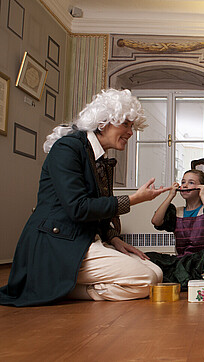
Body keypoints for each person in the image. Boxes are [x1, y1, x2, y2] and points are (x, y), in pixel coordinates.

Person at [0, 89, 169, 307]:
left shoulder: (98, 158)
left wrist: (113, 238)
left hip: (83, 238)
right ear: (104, 122)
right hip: (57, 244)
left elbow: (96, 213)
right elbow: (78, 208)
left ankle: (61, 286)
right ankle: (59, 288)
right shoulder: (67, 148)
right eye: (126, 124)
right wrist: (135, 199)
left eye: (132, 126)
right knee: (145, 280)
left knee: (155, 272)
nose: (130, 132)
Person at [146, 169, 204, 288]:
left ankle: (182, 281)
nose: (185, 185)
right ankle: (183, 279)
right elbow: (156, 221)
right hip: (181, 261)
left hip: (202, 261)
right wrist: (170, 196)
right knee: (148, 258)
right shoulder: (176, 212)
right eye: (183, 182)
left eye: (191, 182)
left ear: (202, 187)